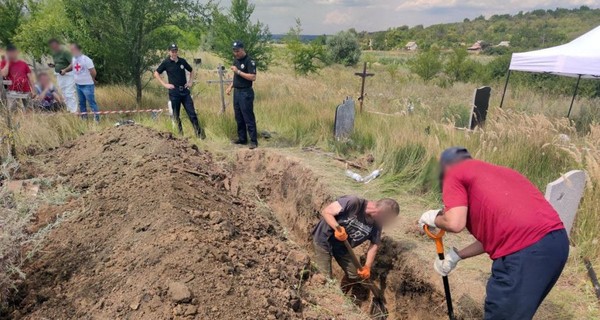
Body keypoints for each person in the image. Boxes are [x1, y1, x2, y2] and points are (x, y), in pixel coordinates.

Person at [419, 147, 568, 320]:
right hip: (556, 244)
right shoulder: (505, 173)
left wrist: (432, 218)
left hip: (525, 253)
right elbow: (504, 233)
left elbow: (454, 222)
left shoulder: (454, 171)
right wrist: (456, 256)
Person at [312, 196, 399, 296]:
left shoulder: (377, 223)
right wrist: (337, 228)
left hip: (343, 247)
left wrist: (367, 266)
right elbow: (326, 212)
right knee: (325, 277)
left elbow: (374, 244)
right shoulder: (354, 203)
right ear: (382, 212)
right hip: (324, 239)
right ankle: (325, 295)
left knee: (354, 274)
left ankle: (341, 295)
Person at [154, 44, 205, 139]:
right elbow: (156, 73)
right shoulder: (166, 62)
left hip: (184, 91)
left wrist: (190, 82)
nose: (174, 53)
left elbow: (191, 70)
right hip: (174, 92)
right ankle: (180, 136)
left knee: (192, 113)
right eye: (172, 51)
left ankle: (199, 135)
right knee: (176, 115)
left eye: (175, 51)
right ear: (169, 52)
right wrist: (165, 84)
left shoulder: (182, 61)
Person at [226, 40, 258, 150]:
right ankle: (242, 138)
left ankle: (253, 140)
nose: (236, 53)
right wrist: (231, 86)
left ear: (242, 49)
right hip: (237, 92)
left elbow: (253, 77)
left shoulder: (249, 61)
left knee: (248, 116)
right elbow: (236, 76)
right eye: (234, 51)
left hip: (246, 92)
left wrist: (238, 71)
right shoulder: (236, 60)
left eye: (238, 51)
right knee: (238, 116)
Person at [62, 43, 99, 121]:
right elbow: (72, 66)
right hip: (78, 85)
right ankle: (84, 119)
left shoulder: (86, 59)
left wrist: (93, 79)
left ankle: (97, 119)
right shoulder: (74, 59)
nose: (72, 51)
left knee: (91, 102)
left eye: (73, 50)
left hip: (87, 85)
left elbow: (93, 71)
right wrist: (65, 70)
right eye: (71, 50)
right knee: (81, 103)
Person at [48, 39, 77, 113]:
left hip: (69, 75)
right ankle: (68, 109)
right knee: (64, 92)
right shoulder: (54, 54)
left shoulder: (66, 52)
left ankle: (74, 111)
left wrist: (65, 70)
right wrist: (54, 65)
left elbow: (73, 63)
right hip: (59, 75)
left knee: (69, 92)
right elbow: (60, 63)